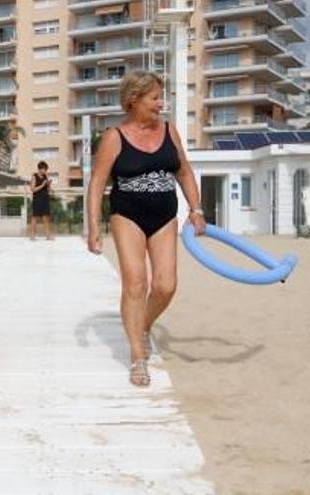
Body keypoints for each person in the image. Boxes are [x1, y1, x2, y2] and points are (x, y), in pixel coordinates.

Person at [86, 70, 206, 387]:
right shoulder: (115, 137)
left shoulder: (170, 131)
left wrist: (196, 209)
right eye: (154, 98)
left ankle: (143, 325)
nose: (160, 104)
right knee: (136, 283)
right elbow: (97, 183)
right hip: (128, 214)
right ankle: (138, 356)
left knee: (166, 286)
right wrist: (93, 226)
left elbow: (184, 172)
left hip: (165, 215)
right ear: (133, 100)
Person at [29, 161, 53, 240]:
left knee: (46, 217)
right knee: (34, 218)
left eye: (46, 170)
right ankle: (32, 236)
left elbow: (49, 190)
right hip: (37, 199)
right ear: (39, 169)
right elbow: (32, 189)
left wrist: (49, 185)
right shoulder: (34, 176)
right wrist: (42, 185)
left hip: (45, 199)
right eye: (44, 169)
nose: (45, 171)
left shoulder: (45, 177)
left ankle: (48, 236)